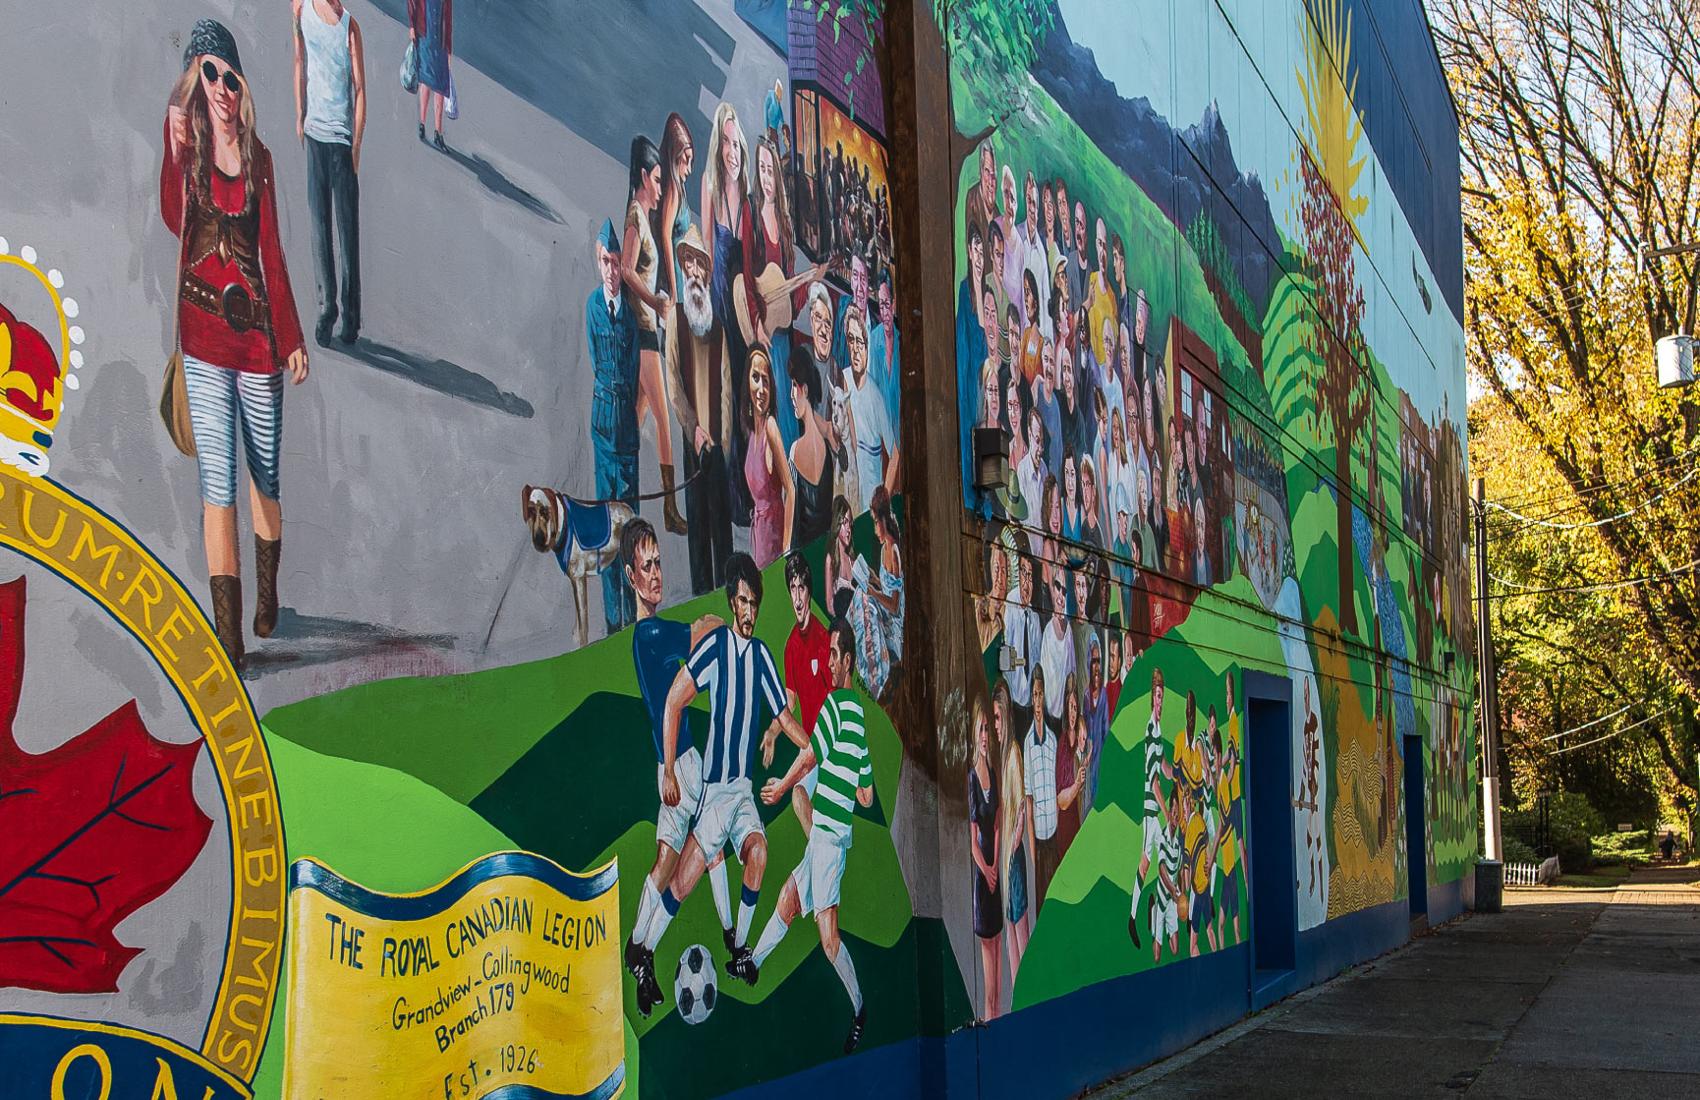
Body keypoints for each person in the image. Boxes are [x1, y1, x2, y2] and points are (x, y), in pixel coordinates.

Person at [163, 19, 309, 667]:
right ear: (196, 83)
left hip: (256, 345)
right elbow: (174, 218)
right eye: (209, 75)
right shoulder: (187, 150)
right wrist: (174, 149)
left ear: (241, 84)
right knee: (216, 483)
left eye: (229, 76)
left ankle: (268, 582)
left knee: (265, 478)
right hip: (202, 338)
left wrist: (292, 338)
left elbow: (272, 254)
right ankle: (230, 636)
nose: (221, 88)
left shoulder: (261, 160)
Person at [644, 553, 809, 989]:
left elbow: (783, 714)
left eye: (754, 603)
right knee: (682, 882)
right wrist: (669, 771)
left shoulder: (761, 656)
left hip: (742, 792)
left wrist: (812, 744)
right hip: (714, 794)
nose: (749, 611)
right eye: (742, 602)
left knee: (759, 850)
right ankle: (644, 953)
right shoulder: (716, 649)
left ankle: (738, 945)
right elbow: (674, 701)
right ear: (731, 604)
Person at [618, 518, 735, 1015]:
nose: (655, 575)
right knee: (700, 857)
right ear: (630, 578)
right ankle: (731, 937)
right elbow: (704, 629)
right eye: (645, 567)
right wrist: (723, 628)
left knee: (668, 863)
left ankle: (640, 949)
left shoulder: (656, 635)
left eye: (658, 563)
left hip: (677, 764)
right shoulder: (650, 635)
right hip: (680, 766)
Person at [753, 617, 874, 1053]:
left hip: (829, 840)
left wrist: (781, 787)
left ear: (848, 663)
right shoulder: (857, 718)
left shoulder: (837, 707)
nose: (830, 659)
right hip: (826, 835)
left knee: (828, 940)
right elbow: (865, 794)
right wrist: (853, 781)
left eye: (836, 653)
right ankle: (752, 961)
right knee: (787, 902)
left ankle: (859, 1008)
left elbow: (807, 757)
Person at [621, 135, 685, 537]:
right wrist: (655, 302)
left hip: (648, 329)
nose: (661, 189)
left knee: (637, 417)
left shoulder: (643, 216)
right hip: (643, 332)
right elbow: (627, 270)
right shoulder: (634, 217)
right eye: (658, 180)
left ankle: (622, 497)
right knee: (663, 420)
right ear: (644, 176)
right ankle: (669, 508)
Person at [663, 224, 732, 595]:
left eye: (698, 263)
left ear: (706, 271)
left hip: (716, 451)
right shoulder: (676, 318)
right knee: (699, 538)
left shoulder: (717, 326)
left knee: (722, 533)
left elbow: (726, 392)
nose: (692, 269)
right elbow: (673, 383)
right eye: (686, 261)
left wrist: (719, 443)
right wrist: (695, 431)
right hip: (694, 446)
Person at [293, 0, 364, 347]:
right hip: (315, 135)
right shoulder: (300, 9)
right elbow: (299, 61)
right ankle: (327, 308)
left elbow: (361, 90)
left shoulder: (350, 28)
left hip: (341, 141)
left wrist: (357, 145)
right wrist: (299, 114)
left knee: (347, 229)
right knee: (319, 225)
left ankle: (351, 314)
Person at [585, 219, 639, 634]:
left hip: (627, 432)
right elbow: (595, 356)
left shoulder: (630, 316)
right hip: (604, 423)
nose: (610, 270)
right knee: (608, 525)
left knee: (631, 524)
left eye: (616, 263)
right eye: (605, 261)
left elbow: (634, 369)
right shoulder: (593, 307)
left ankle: (631, 611)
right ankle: (612, 622)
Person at [703, 103, 756, 524]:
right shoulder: (710, 187)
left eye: (736, 142)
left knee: (744, 401)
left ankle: (746, 491)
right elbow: (705, 254)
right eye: (726, 141)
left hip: (741, 316)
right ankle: (729, 496)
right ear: (718, 146)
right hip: (719, 312)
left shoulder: (749, 200)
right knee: (723, 402)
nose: (732, 151)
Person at [748, 136, 800, 451]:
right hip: (760, 333)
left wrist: (808, 282)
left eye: (771, 171)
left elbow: (791, 292)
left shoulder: (784, 224)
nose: (768, 178)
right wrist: (755, 321)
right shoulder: (752, 217)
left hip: (781, 333)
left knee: (784, 403)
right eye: (763, 170)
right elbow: (748, 277)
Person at [778, 552, 832, 835]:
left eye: (801, 588)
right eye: (792, 589)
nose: (797, 598)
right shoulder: (790, 646)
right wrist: (772, 732)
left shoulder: (824, 640)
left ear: (809, 591)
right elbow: (789, 703)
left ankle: (821, 856)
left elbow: (836, 701)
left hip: (829, 747)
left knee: (795, 789)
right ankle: (817, 853)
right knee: (798, 796)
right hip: (809, 748)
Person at [843, 305, 899, 514]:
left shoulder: (876, 397)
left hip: (869, 506)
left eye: (861, 342)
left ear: (867, 347)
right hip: (848, 499)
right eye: (851, 339)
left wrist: (883, 499)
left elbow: (895, 453)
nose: (856, 349)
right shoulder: (843, 380)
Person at [968, 699, 1003, 1020]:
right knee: (987, 968)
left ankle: (998, 1021)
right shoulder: (972, 779)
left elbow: (999, 816)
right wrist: (987, 870)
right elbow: (972, 838)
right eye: (980, 729)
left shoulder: (993, 771)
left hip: (995, 873)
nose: (984, 735)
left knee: (998, 981)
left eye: (987, 730)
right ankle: (989, 1024)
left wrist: (997, 865)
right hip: (983, 880)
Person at [996, 681, 1032, 994]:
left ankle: (1027, 988)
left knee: (1020, 926)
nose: (994, 725)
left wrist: (1013, 847)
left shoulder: (1013, 756)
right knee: (1009, 928)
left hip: (1012, 857)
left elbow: (1020, 808)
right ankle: (1019, 989)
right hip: (1004, 854)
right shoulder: (996, 756)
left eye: (997, 718)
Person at [743, 348, 793, 567]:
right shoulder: (753, 432)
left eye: (766, 381)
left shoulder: (771, 427)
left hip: (774, 538)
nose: (761, 389)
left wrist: (787, 549)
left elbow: (790, 489)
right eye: (756, 378)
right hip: (759, 539)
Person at [788, 356, 835, 548]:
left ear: (804, 389)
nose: (791, 395)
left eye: (793, 386)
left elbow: (793, 522)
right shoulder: (827, 449)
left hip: (804, 556)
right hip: (825, 551)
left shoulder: (794, 450)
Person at [657, 113, 696, 302]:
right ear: (675, 155)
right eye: (685, 159)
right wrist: (673, 288)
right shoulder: (672, 190)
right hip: (675, 275)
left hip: (683, 272)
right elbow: (665, 236)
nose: (689, 169)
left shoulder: (680, 189)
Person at [406, 0, 451, 150]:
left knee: (441, 86)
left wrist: (449, 46)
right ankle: (422, 123)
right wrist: (412, 27)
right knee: (425, 80)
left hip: (440, 40)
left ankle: (438, 132)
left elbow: (448, 16)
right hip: (424, 35)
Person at [869, 269, 900, 428]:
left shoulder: (900, 341)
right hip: (880, 431)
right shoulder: (874, 340)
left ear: (893, 305)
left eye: (887, 305)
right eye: (881, 305)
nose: (885, 313)